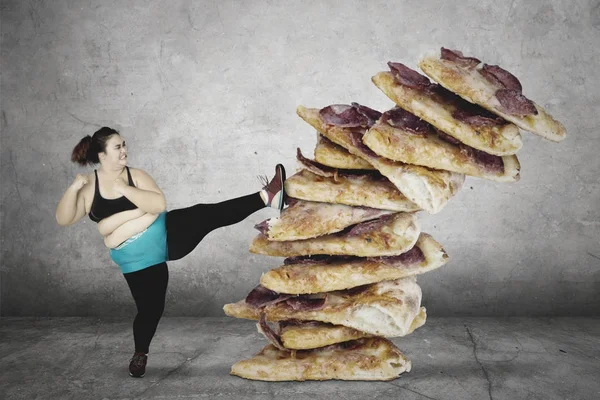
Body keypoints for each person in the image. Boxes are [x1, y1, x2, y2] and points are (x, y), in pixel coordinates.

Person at [55, 127, 286, 378]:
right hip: (140, 261)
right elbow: (65, 218)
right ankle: (139, 354)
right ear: (101, 155)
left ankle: (267, 197)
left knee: (205, 214)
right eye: (118, 147)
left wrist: (126, 192)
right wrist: (74, 188)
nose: (124, 151)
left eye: (124, 145)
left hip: (168, 235)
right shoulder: (89, 186)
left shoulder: (135, 176)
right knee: (150, 310)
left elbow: (158, 205)